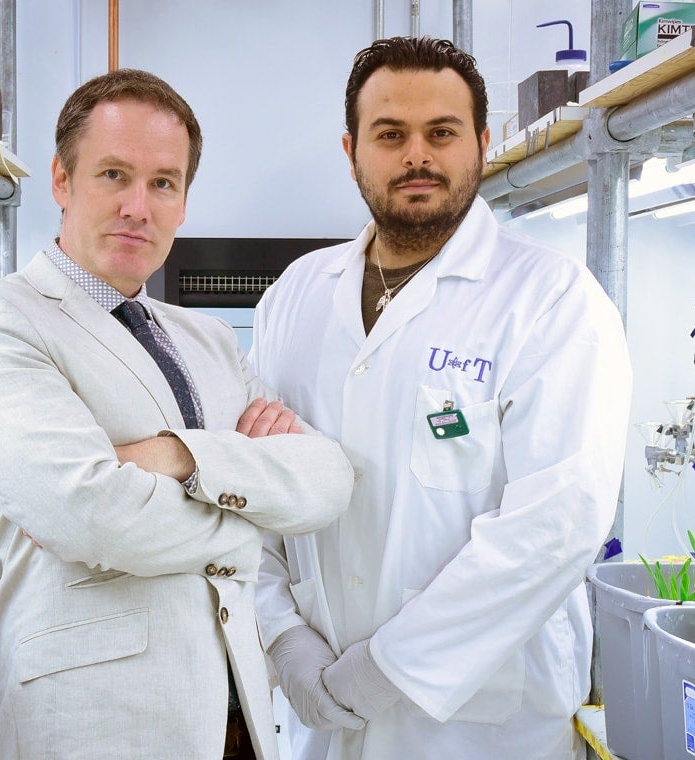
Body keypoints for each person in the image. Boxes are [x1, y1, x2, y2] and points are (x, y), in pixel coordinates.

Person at [0, 68, 354, 760]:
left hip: (239, 720)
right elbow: (91, 517)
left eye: (163, 183)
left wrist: (176, 457)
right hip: (92, 730)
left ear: (183, 202)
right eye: (113, 175)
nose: (138, 206)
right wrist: (255, 519)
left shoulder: (210, 340)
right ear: (62, 180)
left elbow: (329, 480)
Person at [251, 37, 633, 759]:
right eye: (390, 134)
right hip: (318, 714)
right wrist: (280, 633)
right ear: (352, 151)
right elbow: (253, 492)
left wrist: (387, 669)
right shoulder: (296, 295)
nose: (417, 156)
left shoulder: (552, 301)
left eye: (442, 133)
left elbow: (555, 525)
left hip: (480, 727)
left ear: (482, 144)